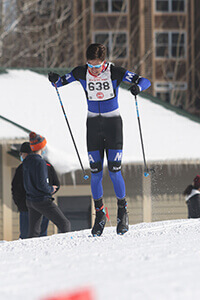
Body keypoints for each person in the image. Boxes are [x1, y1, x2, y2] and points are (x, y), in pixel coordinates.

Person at [48, 43, 151, 236]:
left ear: (104, 62)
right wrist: (53, 79)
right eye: (90, 66)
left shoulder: (114, 72)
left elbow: (145, 81)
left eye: (97, 66)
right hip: (93, 127)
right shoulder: (80, 72)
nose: (94, 70)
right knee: (95, 174)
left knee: (114, 172)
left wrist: (138, 87)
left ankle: (122, 212)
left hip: (113, 126)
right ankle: (100, 214)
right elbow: (59, 82)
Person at [23, 132, 71, 238]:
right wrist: (50, 189)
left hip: (31, 200)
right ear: (42, 146)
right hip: (42, 200)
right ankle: (69, 246)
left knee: (34, 232)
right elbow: (42, 184)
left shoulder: (26, 161)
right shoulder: (40, 162)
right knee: (64, 224)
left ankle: (30, 251)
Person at [11, 142, 60, 239]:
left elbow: (15, 189)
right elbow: (56, 185)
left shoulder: (22, 168)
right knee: (41, 237)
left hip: (27, 208)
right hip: (43, 206)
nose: (21, 156)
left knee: (27, 238)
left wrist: (21, 205)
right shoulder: (47, 165)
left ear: (27, 154)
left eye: (22, 154)